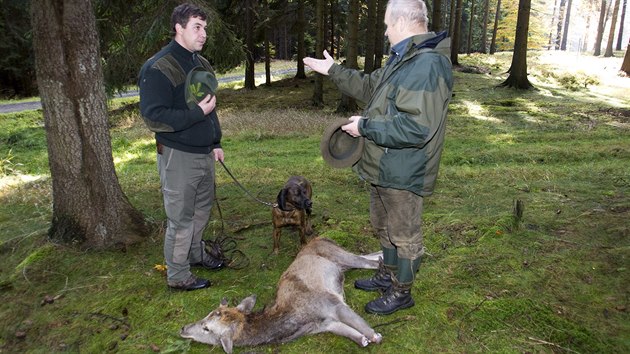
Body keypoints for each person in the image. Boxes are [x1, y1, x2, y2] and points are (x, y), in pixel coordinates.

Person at [303, 0, 453, 315]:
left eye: (387, 25)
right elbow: (371, 86)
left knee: (404, 234)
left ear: (401, 22)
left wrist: (365, 126)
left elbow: (416, 129)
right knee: (382, 225)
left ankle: (402, 291)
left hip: (403, 168)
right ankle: (387, 273)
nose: (385, 32)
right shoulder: (403, 60)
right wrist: (333, 70)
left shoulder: (426, 65)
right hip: (382, 165)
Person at [138, 3, 225, 291]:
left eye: (205, 29)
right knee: (181, 218)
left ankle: (196, 254)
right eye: (197, 27)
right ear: (179, 28)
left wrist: (215, 142)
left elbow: (209, 108)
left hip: (204, 153)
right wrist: (196, 115)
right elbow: (154, 117)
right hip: (178, 156)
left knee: (202, 210)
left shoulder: (201, 64)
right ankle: (178, 275)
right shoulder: (158, 67)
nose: (204, 35)